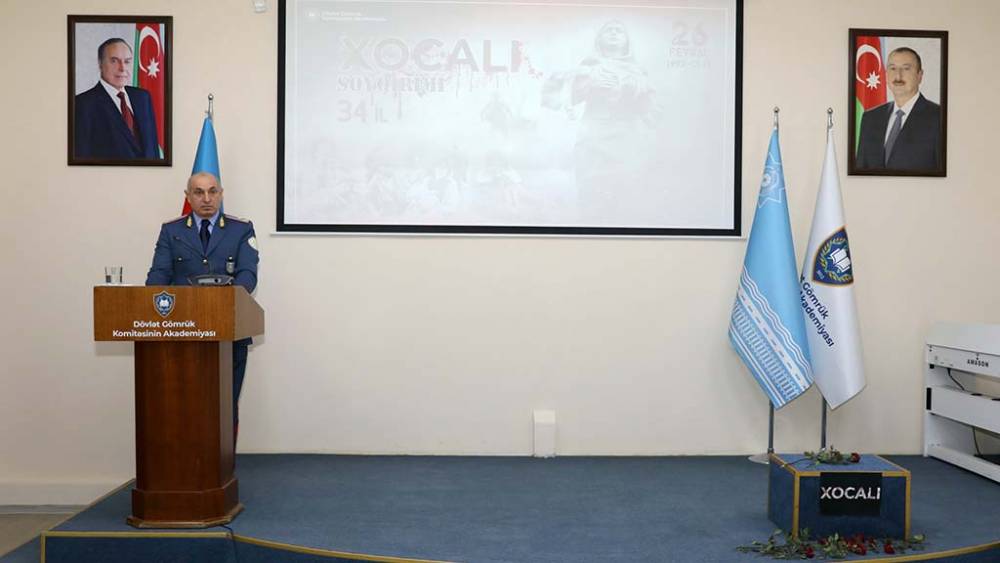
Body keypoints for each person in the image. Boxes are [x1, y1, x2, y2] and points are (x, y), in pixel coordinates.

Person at [145, 172, 259, 442]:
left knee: (224, 405)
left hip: (229, 334)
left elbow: (248, 275)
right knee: (182, 404)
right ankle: (182, 461)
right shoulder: (172, 231)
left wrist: (220, 305)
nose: (206, 198)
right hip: (181, 334)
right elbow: (158, 277)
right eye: (198, 192)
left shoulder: (241, 229)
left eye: (212, 191)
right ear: (188, 196)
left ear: (221, 194)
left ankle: (223, 462)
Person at [855, 46, 942, 171]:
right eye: (893, 68)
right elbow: (861, 170)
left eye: (906, 68)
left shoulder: (939, 117)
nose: (898, 75)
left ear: (919, 75)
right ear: (886, 74)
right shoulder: (871, 118)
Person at [74, 38, 160, 159]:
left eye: (127, 61)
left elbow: (153, 149)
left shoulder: (143, 98)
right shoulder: (83, 104)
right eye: (114, 61)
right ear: (100, 63)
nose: (122, 68)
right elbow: (82, 158)